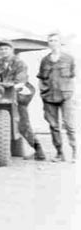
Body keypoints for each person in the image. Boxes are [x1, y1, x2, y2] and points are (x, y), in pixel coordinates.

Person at [0, 41, 46, 161]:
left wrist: (5, 85)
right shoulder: (0, 63)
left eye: (6, 49)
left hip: (18, 95)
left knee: (23, 125)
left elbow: (20, 81)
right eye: (1, 49)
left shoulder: (19, 63)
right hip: (5, 95)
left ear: (12, 50)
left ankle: (39, 152)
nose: (3, 51)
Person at [37, 33, 75, 162]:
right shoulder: (45, 60)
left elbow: (74, 76)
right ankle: (59, 153)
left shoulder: (68, 59)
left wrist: (71, 93)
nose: (53, 43)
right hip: (49, 96)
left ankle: (75, 152)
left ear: (60, 42)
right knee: (53, 126)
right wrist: (43, 92)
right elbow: (41, 78)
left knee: (69, 125)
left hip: (65, 96)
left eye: (55, 40)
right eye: (50, 41)